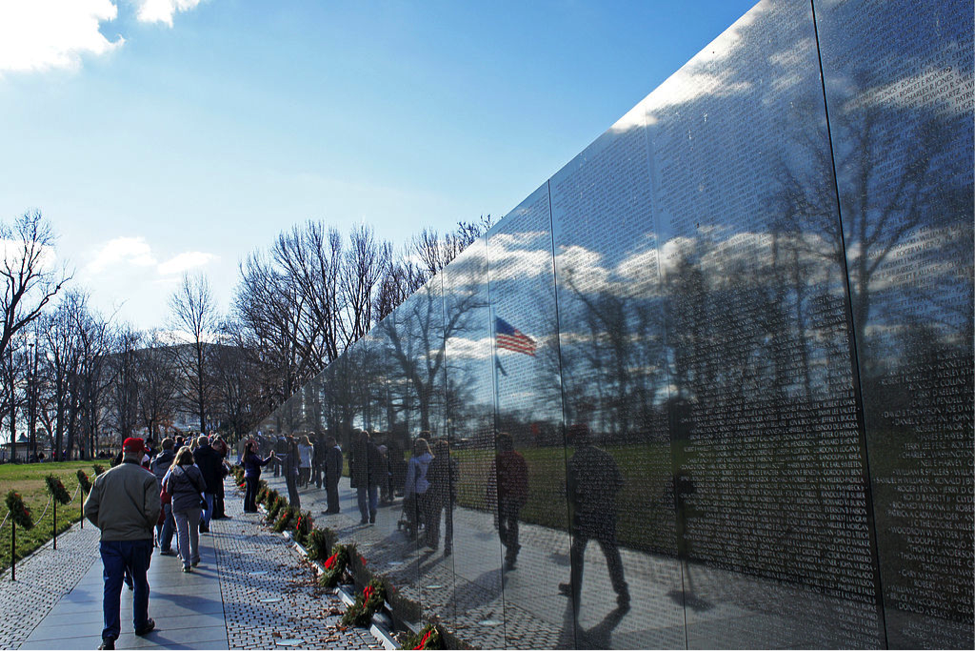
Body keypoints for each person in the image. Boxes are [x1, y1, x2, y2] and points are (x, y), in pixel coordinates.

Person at [84, 437, 161, 650]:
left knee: (112, 586)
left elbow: (89, 509)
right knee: (140, 581)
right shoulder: (147, 478)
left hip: (111, 540)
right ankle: (140, 622)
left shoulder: (103, 478)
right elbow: (153, 511)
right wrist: (145, 527)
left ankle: (109, 635)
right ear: (138, 454)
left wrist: (105, 525)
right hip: (138, 539)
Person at [558, 424, 629, 611]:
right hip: (607, 512)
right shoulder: (606, 456)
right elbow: (619, 482)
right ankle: (622, 591)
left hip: (586, 514)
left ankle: (575, 587)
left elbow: (571, 491)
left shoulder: (575, 460)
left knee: (577, 552)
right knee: (611, 552)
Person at [163, 446, 207, 573]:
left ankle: (185, 561)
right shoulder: (195, 470)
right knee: (194, 531)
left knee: (182, 533)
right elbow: (202, 486)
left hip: (178, 505)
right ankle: (194, 556)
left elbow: (169, 490)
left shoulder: (173, 472)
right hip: (193, 504)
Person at [490, 432, 528, 570]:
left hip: (503, 496)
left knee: (500, 524)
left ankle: (511, 547)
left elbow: (493, 479)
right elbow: (524, 478)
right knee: (513, 523)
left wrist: (490, 494)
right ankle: (513, 548)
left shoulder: (499, 458)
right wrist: (524, 495)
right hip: (515, 496)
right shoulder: (519, 458)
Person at [426, 439, 458, 555]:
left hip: (436, 493)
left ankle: (435, 542)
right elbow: (456, 477)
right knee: (448, 521)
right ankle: (448, 545)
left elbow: (428, 477)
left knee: (436, 518)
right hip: (449, 493)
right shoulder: (452, 462)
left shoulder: (433, 462)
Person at [150, 438, 177, 555]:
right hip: (167, 491)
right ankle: (164, 543)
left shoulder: (155, 460)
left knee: (158, 515)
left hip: (156, 489)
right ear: (172, 447)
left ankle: (158, 535)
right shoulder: (174, 459)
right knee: (168, 517)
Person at [403, 438, 434, 538]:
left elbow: (410, 478)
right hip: (429, 489)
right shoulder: (431, 459)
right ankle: (430, 530)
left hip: (416, 489)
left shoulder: (414, 461)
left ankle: (414, 531)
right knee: (427, 511)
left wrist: (406, 494)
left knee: (414, 512)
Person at [193, 435, 223, 533]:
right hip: (211, 481)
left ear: (198, 443)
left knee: (198, 503)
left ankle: (200, 518)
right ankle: (206, 523)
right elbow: (218, 469)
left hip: (198, 482)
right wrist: (218, 481)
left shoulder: (195, 454)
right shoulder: (214, 454)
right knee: (209, 504)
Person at [242, 439, 275, 512]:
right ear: (250, 448)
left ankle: (246, 507)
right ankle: (252, 508)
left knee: (248, 492)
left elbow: (242, 465)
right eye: (253, 447)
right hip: (253, 475)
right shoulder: (253, 456)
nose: (254, 448)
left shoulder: (245, 456)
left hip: (247, 475)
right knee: (253, 492)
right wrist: (270, 457)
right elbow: (262, 463)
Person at [323, 436, 343, 514]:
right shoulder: (333, 450)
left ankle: (333, 508)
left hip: (332, 474)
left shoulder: (335, 451)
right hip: (331, 473)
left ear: (332, 442)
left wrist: (336, 474)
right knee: (331, 492)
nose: (326, 444)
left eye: (328, 442)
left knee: (332, 492)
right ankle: (332, 507)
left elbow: (335, 464)